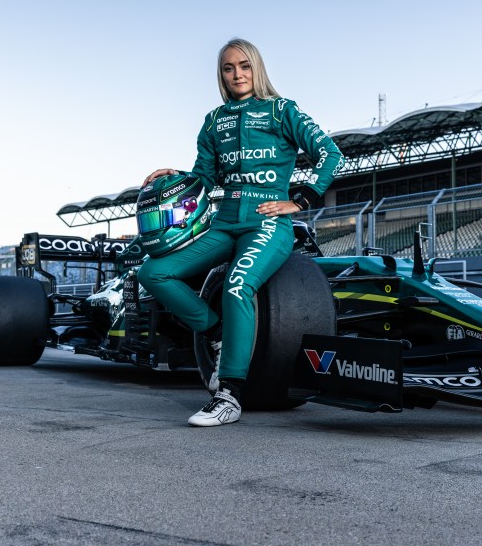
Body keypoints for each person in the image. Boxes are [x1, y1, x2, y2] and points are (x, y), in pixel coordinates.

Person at [138, 38, 343, 427]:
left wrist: (299, 201)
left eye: (244, 66)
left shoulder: (282, 110)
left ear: (257, 68)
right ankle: (216, 331)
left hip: (267, 223)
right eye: (229, 68)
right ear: (222, 74)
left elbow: (330, 154)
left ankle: (229, 395)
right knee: (153, 273)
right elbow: (203, 178)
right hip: (224, 222)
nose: (238, 74)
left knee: (237, 285)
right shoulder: (214, 121)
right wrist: (174, 175)